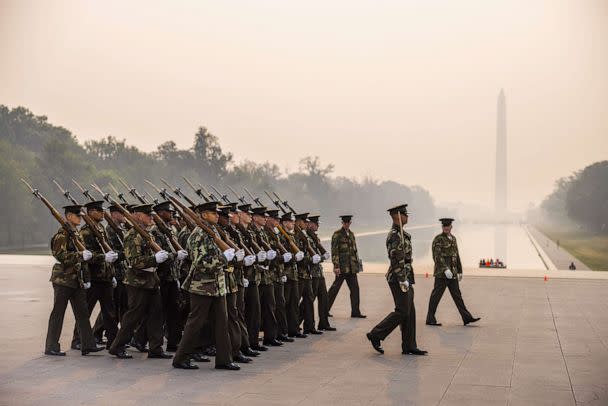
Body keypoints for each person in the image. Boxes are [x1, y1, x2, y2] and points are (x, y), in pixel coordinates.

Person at [172, 201, 239, 370]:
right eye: (213, 213)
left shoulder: (213, 232)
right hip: (201, 286)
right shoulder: (197, 235)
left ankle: (224, 360)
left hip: (218, 285)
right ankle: (181, 358)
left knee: (222, 324)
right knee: (195, 323)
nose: (217, 215)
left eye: (217, 213)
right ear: (203, 215)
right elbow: (201, 263)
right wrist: (224, 258)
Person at [108, 204, 173, 360]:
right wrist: (154, 259)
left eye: (151, 215)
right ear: (137, 215)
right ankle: (117, 346)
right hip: (137, 281)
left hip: (151, 280)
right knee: (133, 316)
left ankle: (156, 348)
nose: (151, 217)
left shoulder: (147, 234)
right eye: (147, 214)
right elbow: (134, 260)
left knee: (156, 315)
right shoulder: (132, 235)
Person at [366, 204, 426, 356]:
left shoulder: (401, 234)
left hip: (406, 277)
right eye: (406, 214)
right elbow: (396, 259)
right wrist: (401, 279)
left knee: (410, 312)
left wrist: (406, 278)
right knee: (402, 311)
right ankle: (376, 334)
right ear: (398, 216)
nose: (408, 217)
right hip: (398, 278)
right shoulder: (395, 235)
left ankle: (409, 345)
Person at [44, 204, 104, 356]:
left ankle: (88, 344)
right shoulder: (62, 235)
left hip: (77, 279)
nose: (80, 218)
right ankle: (51, 346)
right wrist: (79, 256)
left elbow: (83, 260)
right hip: (63, 280)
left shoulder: (77, 234)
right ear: (69, 216)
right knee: (58, 313)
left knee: (82, 313)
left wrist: (87, 277)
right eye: (77, 215)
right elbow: (60, 255)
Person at [70, 201, 119, 351]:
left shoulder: (101, 229)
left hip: (105, 278)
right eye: (99, 210)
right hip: (93, 278)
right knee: (86, 311)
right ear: (90, 212)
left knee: (110, 313)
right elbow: (88, 256)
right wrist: (103, 258)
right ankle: (77, 340)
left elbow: (107, 252)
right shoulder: (85, 232)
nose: (102, 212)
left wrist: (111, 274)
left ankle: (114, 342)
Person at [425, 218, 480, 327]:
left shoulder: (453, 239)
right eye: (444, 226)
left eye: (448, 226)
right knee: (436, 296)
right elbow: (437, 256)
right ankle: (430, 319)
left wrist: (459, 271)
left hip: (453, 274)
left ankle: (467, 318)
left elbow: (456, 255)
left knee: (458, 296)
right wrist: (445, 269)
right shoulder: (438, 239)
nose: (446, 228)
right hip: (442, 274)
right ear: (442, 227)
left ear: (451, 227)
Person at [264, 209, 295, 342]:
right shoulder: (266, 233)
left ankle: (281, 333)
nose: (277, 221)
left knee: (280, 305)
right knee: (271, 307)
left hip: (278, 274)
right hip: (269, 275)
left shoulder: (275, 233)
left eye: (278, 219)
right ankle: (271, 336)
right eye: (275, 219)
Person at [327, 215, 365, 318]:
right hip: (342, 267)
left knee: (355, 290)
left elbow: (354, 250)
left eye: (348, 222)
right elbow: (334, 251)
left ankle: (355, 312)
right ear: (342, 223)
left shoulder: (352, 234)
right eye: (345, 222)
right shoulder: (337, 234)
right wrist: (336, 266)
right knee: (334, 289)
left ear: (350, 223)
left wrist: (357, 264)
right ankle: (325, 309)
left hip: (352, 268)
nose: (346, 224)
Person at [279, 213, 307, 338]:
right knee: (284, 304)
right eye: (290, 222)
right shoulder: (280, 236)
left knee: (294, 303)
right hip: (286, 274)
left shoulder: (292, 236)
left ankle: (294, 329)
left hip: (294, 274)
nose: (293, 224)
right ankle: (283, 330)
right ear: (284, 223)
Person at [294, 212, 322, 335]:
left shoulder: (304, 235)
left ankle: (310, 326)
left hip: (307, 273)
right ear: (298, 222)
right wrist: (311, 259)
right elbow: (299, 256)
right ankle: (294, 328)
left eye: (307, 222)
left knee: (309, 301)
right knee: (295, 302)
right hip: (299, 273)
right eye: (304, 222)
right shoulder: (296, 235)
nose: (306, 224)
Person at [306, 215, 335, 331]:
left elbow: (317, 253)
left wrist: (322, 257)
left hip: (318, 271)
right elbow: (310, 255)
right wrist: (321, 258)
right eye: (315, 223)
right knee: (309, 300)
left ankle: (324, 323)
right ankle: (297, 322)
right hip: (312, 273)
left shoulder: (314, 237)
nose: (317, 225)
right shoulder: (306, 237)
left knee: (324, 298)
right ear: (310, 224)